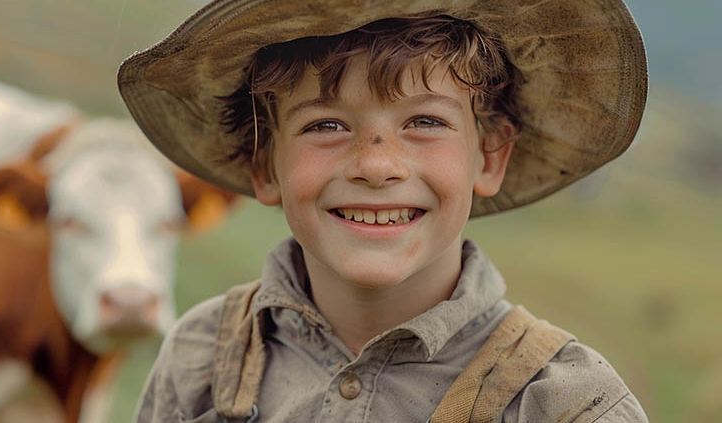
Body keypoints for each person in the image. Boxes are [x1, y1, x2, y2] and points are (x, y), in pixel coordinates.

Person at [117, 0, 648, 421]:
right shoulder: (202, 358)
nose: (376, 166)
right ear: (264, 165)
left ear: (489, 157)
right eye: (326, 125)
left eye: (425, 122)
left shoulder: (567, 407)